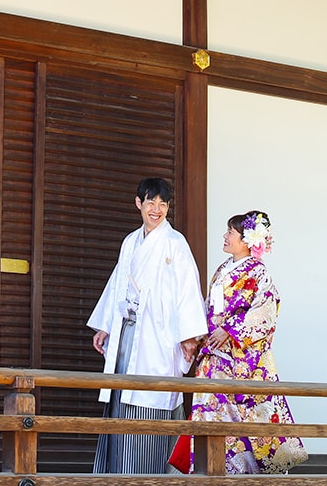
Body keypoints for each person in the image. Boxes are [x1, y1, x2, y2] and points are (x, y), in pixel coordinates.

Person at [87, 177, 207, 474]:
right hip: (128, 332)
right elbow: (118, 285)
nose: (156, 209)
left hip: (158, 339)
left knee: (150, 396)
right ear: (138, 203)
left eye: (162, 204)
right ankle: (115, 475)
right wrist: (106, 326)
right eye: (150, 202)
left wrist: (189, 336)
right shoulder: (130, 242)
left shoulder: (175, 243)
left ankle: (145, 475)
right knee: (121, 396)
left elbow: (188, 290)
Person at [190, 210, 308, 474]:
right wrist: (199, 335)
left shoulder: (258, 272)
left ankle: (242, 473)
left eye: (230, 232)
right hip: (214, 357)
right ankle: (210, 470)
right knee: (209, 412)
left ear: (246, 239)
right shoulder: (223, 269)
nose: (225, 236)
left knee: (241, 418)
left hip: (237, 358)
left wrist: (231, 331)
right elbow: (210, 307)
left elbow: (266, 310)